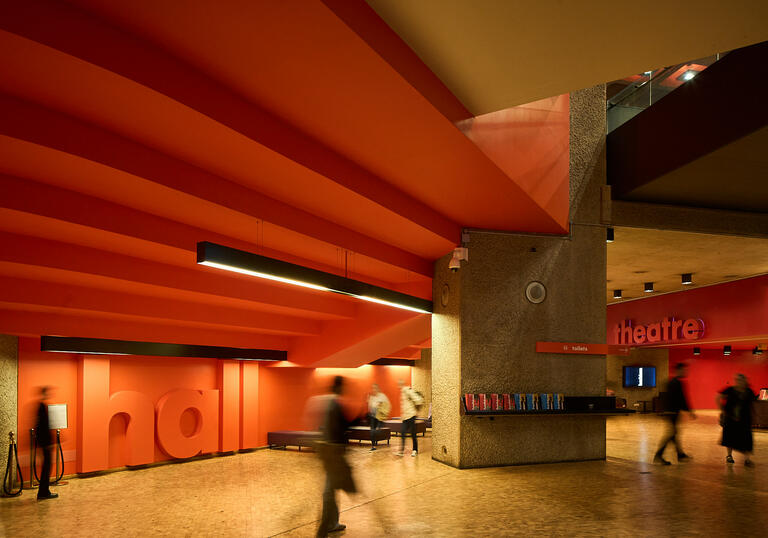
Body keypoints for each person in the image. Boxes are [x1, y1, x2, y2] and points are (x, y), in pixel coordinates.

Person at [316, 376, 356, 536]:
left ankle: (331, 523)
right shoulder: (334, 404)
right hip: (334, 454)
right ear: (339, 387)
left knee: (330, 490)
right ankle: (325, 528)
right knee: (329, 491)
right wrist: (360, 416)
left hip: (329, 452)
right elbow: (342, 426)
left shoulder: (327, 403)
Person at [653, 362, 696, 465]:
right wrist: (689, 411)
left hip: (671, 412)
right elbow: (682, 399)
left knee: (674, 434)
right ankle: (659, 455)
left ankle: (680, 455)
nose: (686, 372)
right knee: (671, 434)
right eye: (684, 370)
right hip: (672, 412)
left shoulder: (672, 382)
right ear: (679, 370)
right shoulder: (676, 383)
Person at [717, 373, 756, 467]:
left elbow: (752, 405)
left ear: (745, 381)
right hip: (730, 418)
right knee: (729, 437)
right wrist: (722, 410)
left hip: (745, 419)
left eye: (741, 380)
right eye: (737, 380)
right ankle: (729, 456)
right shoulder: (730, 390)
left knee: (747, 438)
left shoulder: (749, 392)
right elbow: (718, 397)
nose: (739, 382)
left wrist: (754, 417)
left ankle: (747, 459)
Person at [35, 386, 58, 501]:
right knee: (46, 467)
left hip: (43, 443)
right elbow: (43, 427)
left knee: (46, 467)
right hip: (45, 443)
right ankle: (44, 492)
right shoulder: (42, 407)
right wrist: (48, 443)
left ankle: (44, 491)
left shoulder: (40, 407)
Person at [397, 380, 423, 457]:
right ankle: (401, 451)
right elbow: (404, 406)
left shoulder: (407, 390)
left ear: (402, 384)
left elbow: (418, 400)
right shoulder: (402, 392)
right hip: (405, 417)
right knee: (402, 432)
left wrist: (415, 410)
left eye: (400, 384)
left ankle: (415, 450)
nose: (399, 385)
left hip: (411, 415)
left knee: (413, 434)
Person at [367, 384, 390, 451]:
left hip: (379, 417)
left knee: (377, 431)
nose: (374, 390)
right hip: (373, 416)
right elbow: (370, 407)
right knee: (372, 431)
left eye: (375, 388)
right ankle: (373, 446)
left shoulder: (382, 396)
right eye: (373, 388)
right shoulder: (371, 397)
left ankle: (381, 427)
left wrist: (382, 409)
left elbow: (387, 405)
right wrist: (369, 402)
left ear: (378, 389)